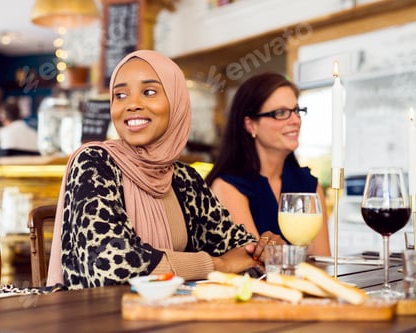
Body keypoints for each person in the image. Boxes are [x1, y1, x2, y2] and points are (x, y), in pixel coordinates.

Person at [46, 50, 283, 289]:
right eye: (120, 95)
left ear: (176, 101)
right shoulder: (94, 163)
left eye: (149, 92)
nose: (132, 105)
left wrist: (263, 247)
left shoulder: (185, 179)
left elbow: (241, 250)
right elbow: (111, 266)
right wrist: (217, 265)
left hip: (171, 317)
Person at [205, 72, 330, 256]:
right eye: (280, 113)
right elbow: (257, 265)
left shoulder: (308, 185)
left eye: (296, 110)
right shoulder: (229, 187)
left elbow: (322, 262)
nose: (295, 120)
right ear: (250, 125)